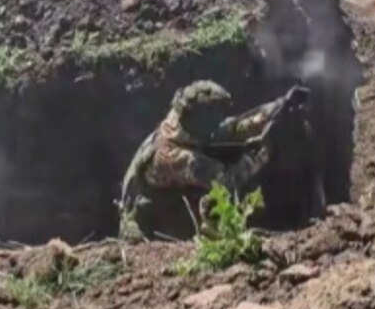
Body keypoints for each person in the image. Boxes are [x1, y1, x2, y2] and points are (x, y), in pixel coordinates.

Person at [118, 81, 308, 240]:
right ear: (198, 120)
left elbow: (232, 129)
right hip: (154, 228)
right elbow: (227, 181)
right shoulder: (174, 156)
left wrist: (276, 109)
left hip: (169, 201)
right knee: (215, 202)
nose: (217, 122)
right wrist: (260, 154)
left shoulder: (182, 122)